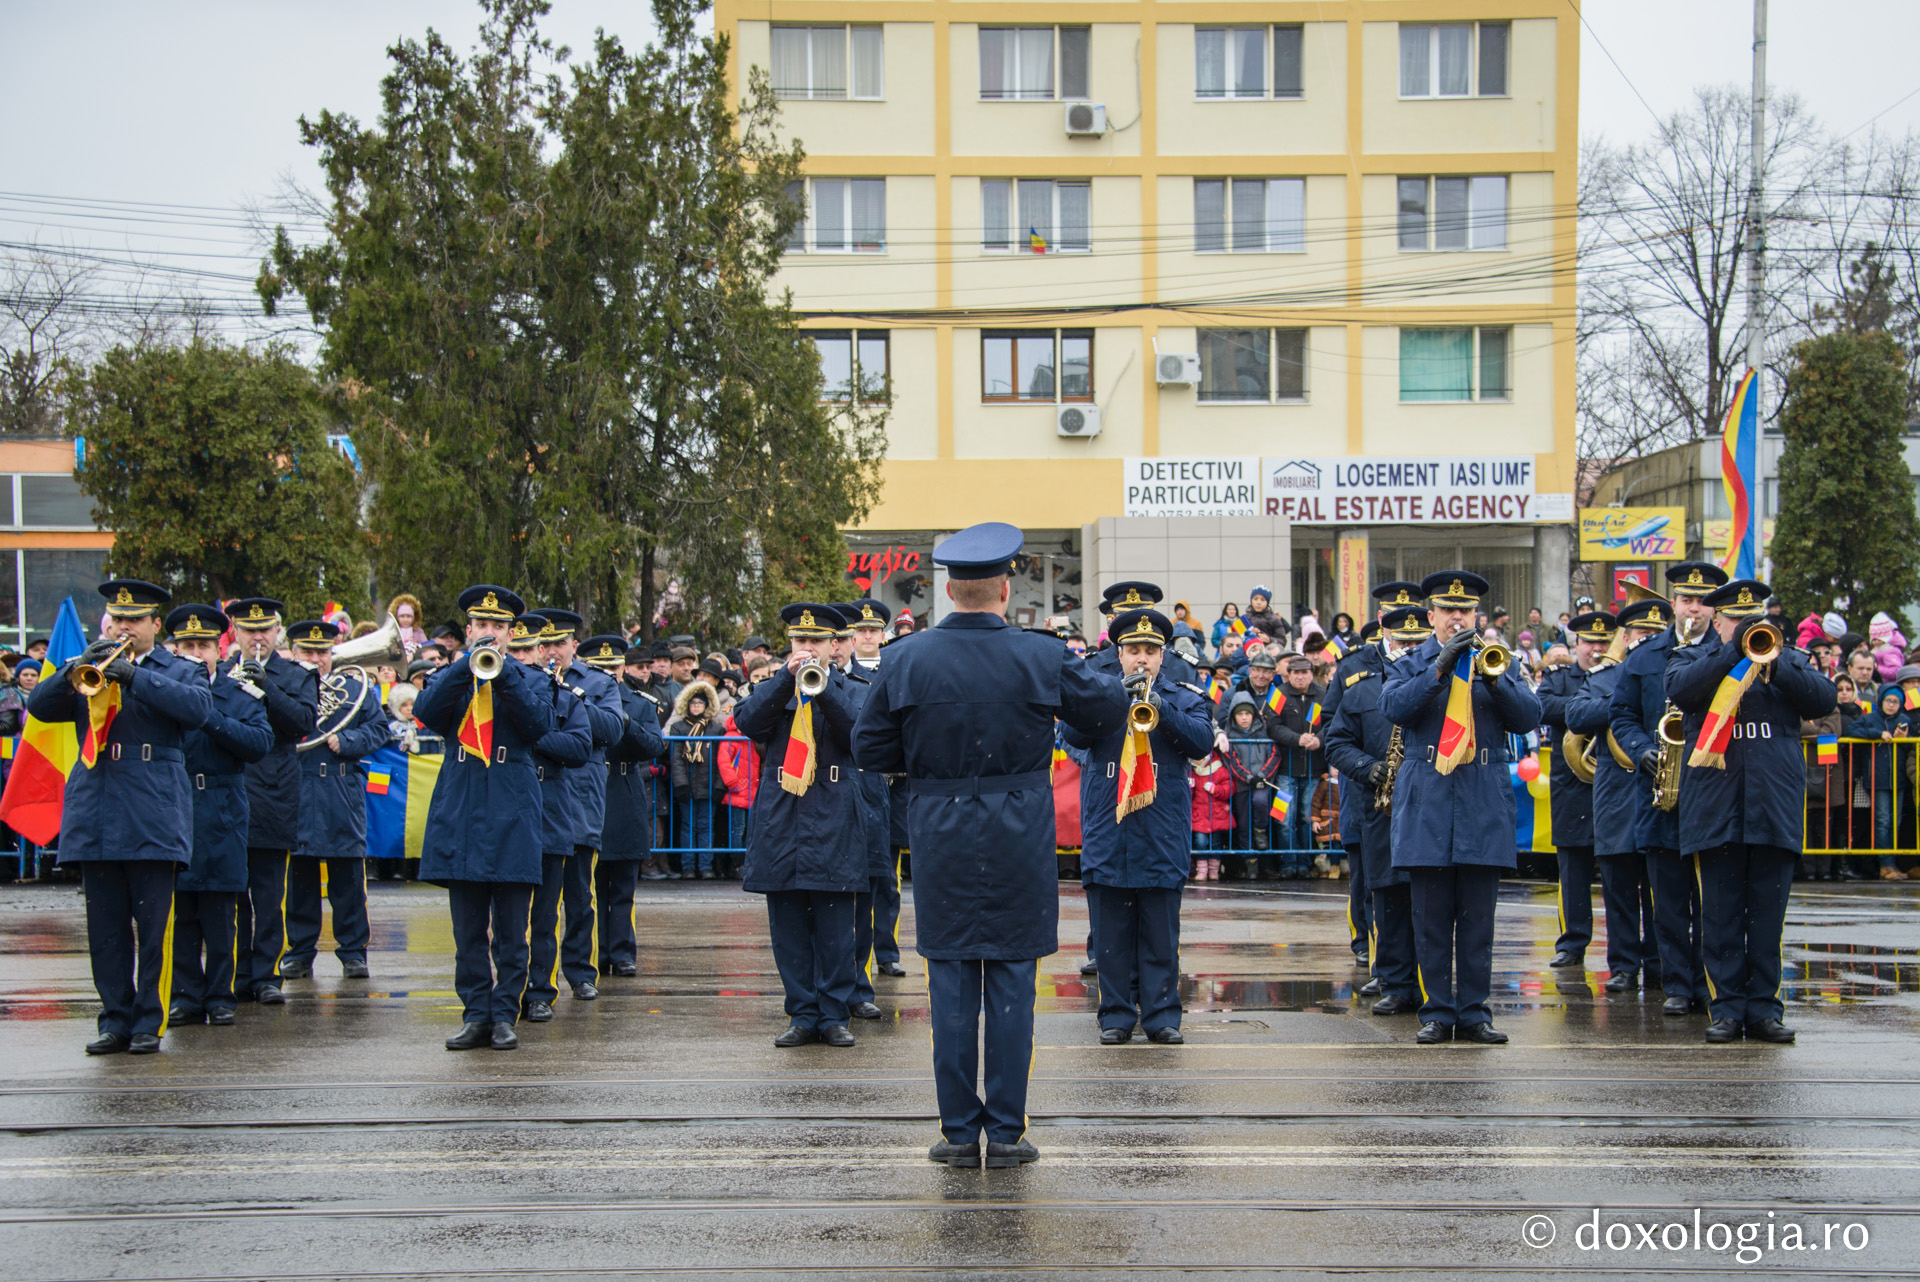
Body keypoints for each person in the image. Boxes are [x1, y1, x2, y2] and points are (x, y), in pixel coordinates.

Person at [852, 521, 1127, 1169]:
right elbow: (1107, 712)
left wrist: (926, 760)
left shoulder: (904, 658)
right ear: (1006, 587)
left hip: (938, 825)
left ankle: (956, 1133)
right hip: (1018, 829)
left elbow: (869, 748)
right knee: (1010, 983)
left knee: (949, 983)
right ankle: (1004, 1132)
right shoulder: (1040, 653)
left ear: (949, 590)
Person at [30, 579, 213, 1053]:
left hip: (152, 809)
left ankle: (148, 1022)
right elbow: (40, 706)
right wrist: (78, 663)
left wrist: (132, 676)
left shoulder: (180, 668)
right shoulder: (88, 666)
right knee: (105, 929)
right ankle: (114, 1018)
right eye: (118, 619)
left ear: (156, 625)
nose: (125, 627)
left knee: (154, 930)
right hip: (96, 807)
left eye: (135, 620)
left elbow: (195, 711)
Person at [1668, 579, 1836, 1042]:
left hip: (1773, 805)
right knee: (1720, 917)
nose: (1746, 628)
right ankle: (1725, 1008)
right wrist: (1731, 653)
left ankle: (1765, 1009)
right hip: (1715, 805)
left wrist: (1774, 661)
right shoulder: (1692, 656)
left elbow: (1823, 700)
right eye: (1736, 621)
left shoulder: (1788, 656)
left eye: (1753, 620)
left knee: (1767, 916)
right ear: (1717, 621)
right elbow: (1682, 692)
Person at [1381, 571, 1541, 1045]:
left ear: (1477, 617)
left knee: (1477, 922)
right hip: (1428, 799)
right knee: (1430, 921)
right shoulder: (1411, 662)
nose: (1457, 618)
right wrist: (1439, 669)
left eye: (1465, 611)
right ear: (1430, 616)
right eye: (1448, 611)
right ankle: (1436, 1012)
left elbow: (1530, 716)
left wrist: (1493, 680)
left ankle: (1473, 1012)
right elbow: (1393, 707)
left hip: (1481, 801)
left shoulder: (1497, 662)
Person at [1063, 607, 1217, 1044]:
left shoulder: (1184, 694)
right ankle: (1114, 1016)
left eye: (1150, 650)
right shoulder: (1100, 691)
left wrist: (1161, 708)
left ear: (1163, 654)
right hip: (1109, 827)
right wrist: (1109, 700)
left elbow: (1202, 741)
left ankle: (1161, 1015)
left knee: (1160, 935)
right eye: (1134, 650)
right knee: (1110, 937)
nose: (1142, 659)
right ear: (1119, 653)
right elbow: (1072, 737)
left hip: (1161, 829)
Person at [413, 584, 556, 1051]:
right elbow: (426, 713)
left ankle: (503, 1013)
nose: (489, 632)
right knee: (468, 927)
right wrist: (461, 669)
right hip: (462, 803)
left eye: (498, 626)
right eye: (482, 625)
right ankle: (475, 1012)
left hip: (512, 804)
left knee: (513, 929)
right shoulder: (452, 674)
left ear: (510, 633)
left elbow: (538, 727)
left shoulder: (530, 677)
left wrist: (505, 674)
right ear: (469, 629)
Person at [731, 602, 867, 1049]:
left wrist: (823, 689)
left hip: (833, 812)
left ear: (834, 645)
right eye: (799, 641)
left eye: (815, 641)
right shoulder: (774, 685)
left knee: (834, 927)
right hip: (782, 814)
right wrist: (784, 682)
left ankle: (833, 1014)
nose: (806, 648)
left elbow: (860, 736)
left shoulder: (852, 687)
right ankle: (801, 1013)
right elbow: (747, 722)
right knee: (787, 925)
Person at [1610, 561, 1725, 1018]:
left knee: (1714, 901)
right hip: (1659, 792)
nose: (1693, 609)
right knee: (1670, 900)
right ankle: (1678, 985)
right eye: (1686, 600)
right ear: (1673, 603)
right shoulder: (1643, 657)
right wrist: (1641, 751)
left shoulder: (1729, 651)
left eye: (1702, 601)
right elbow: (1621, 715)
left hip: (1712, 791)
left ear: (1714, 608)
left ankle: (1712, 983)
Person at [165, 605, 273, 1028]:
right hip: (176, 804)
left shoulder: (239, 691)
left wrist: (209, 716)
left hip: (224, 805)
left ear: (219, 648)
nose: (196, 653)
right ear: (174, 650)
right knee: (182, 910)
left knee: (221, 910)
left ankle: (221, 995)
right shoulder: (164, 689)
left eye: (204, 645)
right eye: (187, 646)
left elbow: (258, 742)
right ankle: (186, 996)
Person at [1325, 604, 1431, 1016]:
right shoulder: (1362, 686)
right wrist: (1370, 770)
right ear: (1384, 636)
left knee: (1429, 900)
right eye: (1402, 640)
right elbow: (1336, 742)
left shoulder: (1443, 682)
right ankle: (1396, 982)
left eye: (1417, 641)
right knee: (1386, 896)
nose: (1408, 647)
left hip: (1429, 805)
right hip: (1380, 804)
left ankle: (1431, 985)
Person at [281, 620, 390, 983]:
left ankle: (353, 952)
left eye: (322, 652)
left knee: (347, 882)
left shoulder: (354, 687)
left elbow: (378, 730)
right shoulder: (282, 687)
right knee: (299, 882)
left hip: (341, 790)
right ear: (294, 653)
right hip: (297, 789)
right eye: (308, 652)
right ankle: (299, 953)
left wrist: (349, 740)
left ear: (333, 654)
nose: (316, 659)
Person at [224, 599, 318, 1007]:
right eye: (249, 630)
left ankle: (265, 975)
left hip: (274, 794)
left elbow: (302, 723)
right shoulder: (218, 673)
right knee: (230, 894)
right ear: (236, 633)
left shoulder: (295, 675)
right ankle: (236, 974)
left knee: (267, 895)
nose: (257, 637)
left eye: (265, 629)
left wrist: (266, 685)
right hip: (230, 792)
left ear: (278, 631)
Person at [537, 609, 627, 992]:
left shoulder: (597, 682)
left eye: (560, 643)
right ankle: (536, 976)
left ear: (574, 644)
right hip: (537, 798)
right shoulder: (521, 679)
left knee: (579, 896)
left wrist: (572, 699)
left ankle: (580, 972)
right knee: (537, 900)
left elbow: (612, 729)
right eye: (545, 644)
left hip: (579, 798)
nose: (552, 651)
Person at [520, 616, 597, 1023]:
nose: (520, 658)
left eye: (526, 650)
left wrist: (532, 735)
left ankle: (539, 991)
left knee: (545, 914)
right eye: (511, 650)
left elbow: (579, 745)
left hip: (549, 806)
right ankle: (506, 992)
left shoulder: (561, 695)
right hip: (507, 811)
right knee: (508, 916)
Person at [1536, 611, 1615, 971]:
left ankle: (1625, 950)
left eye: (1603, 642)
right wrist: (1593, 710)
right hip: (1572, 784)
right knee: (1573, 870)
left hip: (1615, 781)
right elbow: (1543, 707)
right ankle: (1572, 943)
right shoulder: (1559, 676)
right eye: (1589, 642)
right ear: (1576, 644)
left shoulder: (1618, 675)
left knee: (1620, 870)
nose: (1596, 649)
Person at [841, 599, 898, 1018]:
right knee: (847, 893)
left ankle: (869, 971)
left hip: (885, 793)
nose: (861, 638)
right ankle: (835, 985)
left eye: (868, 631)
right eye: (853, 633)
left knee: (880, 884)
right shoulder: (840, 681)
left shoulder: (894, 668)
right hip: (848, 791)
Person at [597, 641, 666, 975]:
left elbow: (655, 746)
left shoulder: (638, 704)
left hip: (624, 791)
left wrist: (626, 723)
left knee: (624, 884)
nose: (609, 675)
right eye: (601, 668)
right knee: (590, 887)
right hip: (592, 792)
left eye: (613, 668)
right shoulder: (581, 697)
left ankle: (622, 952)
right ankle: (594, 952)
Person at [1269, 655, 1327, 877]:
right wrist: (1297, 739)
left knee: (1306, 818)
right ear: (1289, 674)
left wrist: (1319, 739)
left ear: (1312, 674)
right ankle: (1287, 863)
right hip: (1285, 771)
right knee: (1284, 818)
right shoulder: (1278, 694)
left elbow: (1333, 724)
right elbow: (1272, 726)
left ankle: (1304, 863)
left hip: (1314, 770)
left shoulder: (1323, 694)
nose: (1300, 676)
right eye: (1296, 672)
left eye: (1305, 672)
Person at [666, 679, 719, 875]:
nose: (696, 707)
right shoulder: (679, 727)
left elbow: (719, 761)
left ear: (707, 706)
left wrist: (719, 786)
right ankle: (688, 865)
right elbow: (676, 760)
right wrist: (680, 783)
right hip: (687, 784)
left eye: (700, 703)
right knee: (688, 825)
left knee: (706, 825)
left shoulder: (715, 729)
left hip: (708, 784)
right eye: (693, 703)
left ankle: (705, 865)